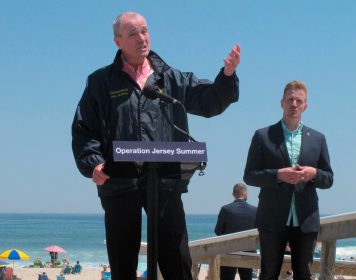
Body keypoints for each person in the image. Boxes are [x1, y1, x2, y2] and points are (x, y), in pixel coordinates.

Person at [72, 12, 240, 280]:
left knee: (177, 263)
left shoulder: (170, 78)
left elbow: (209, 101)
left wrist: (227, 76)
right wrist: (93, 163)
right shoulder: (100, 82)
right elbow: (83, 130)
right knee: (122, 266)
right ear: (118, 41)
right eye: (133, 34)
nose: (142, 38)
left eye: (145, 31)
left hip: (166, 182)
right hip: (118, 183)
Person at [243, 81, 333, 279]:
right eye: (290, 100)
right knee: (268, 274)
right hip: (272, 218)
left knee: (303, 274)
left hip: (306, 219)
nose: (294, 104)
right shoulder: (263, 136)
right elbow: (249, 175)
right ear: (282, 103)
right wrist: (277, 175)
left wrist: (314, 174)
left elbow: (329, 179)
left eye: (298, 101)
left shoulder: (318, 138)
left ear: (305, 106)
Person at [214, 183, 257, 280]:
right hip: (248, 252)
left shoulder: (225, 209)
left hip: (229, 251)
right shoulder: (255, 210)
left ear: (233, 194)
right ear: (246, 194)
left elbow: (218, 231)